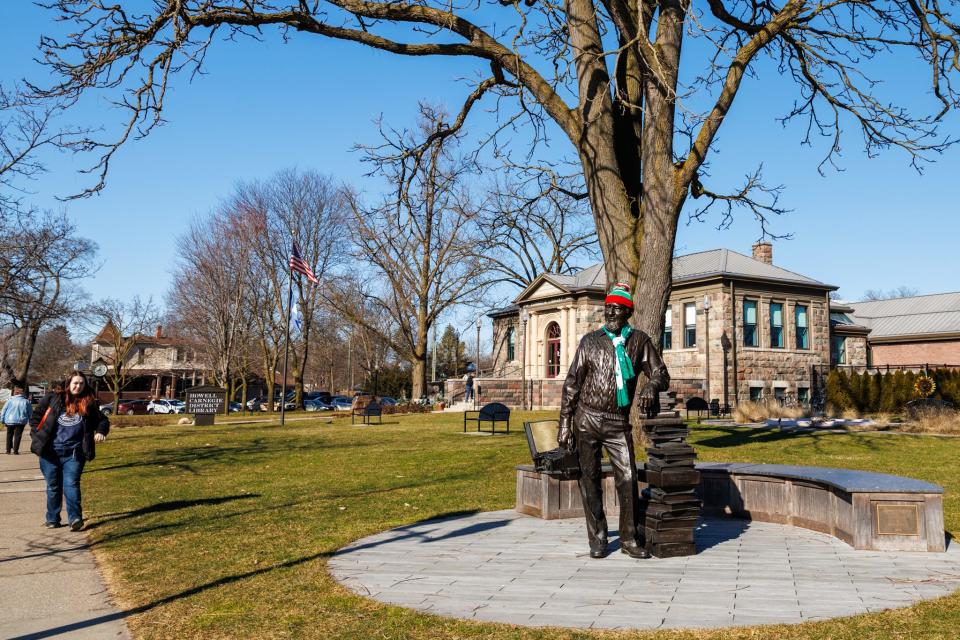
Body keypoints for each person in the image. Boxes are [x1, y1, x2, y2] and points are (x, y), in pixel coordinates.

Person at [558, 283, 670, 560]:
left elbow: (661, 373)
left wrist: (651, 387)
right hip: (586, 418)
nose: (610, 312)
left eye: (616, 308)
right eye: (607, 306)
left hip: (617, 421)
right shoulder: (589, 341)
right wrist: (564, 423)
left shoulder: (639, 341)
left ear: (627, 312)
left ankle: (629, 539)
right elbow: (572, 384)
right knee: (589, 478)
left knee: (628, 477)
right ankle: (597, 537)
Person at [29, 372, 109, 531]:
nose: (78, 386)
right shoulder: (53, 398)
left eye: (81, 383)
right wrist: (36, 435)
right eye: (75, 383)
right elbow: (36, 417)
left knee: (71, 484)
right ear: (68, 383)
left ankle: (75, 518)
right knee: (53, 486)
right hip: (50, 452)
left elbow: (103, 420)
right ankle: (52, 518)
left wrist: (100, 431)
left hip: (74, 453)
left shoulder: (89, 403)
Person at [2, 386, 32, 454]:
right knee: (18, 435)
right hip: (21, 421)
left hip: (10, 420)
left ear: (15, 393)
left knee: (9, 434)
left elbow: (4, 410)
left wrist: (2, 420)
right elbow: (30, 412)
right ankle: (16, 450)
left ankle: (8, 450)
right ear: (22, 394)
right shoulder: (26, 401)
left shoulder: (9, 401)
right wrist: (31, 420)